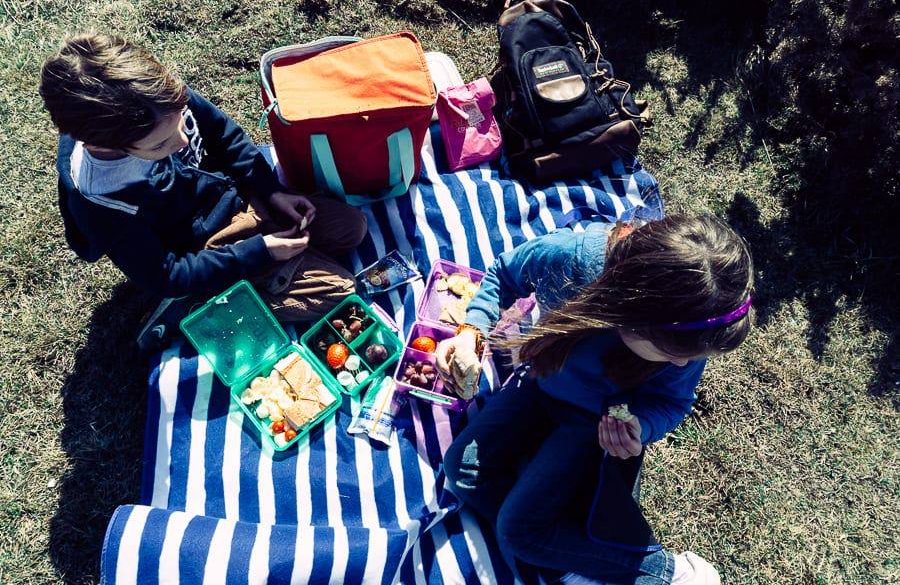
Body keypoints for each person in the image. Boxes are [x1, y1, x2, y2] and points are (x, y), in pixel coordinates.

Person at [436, 215, 754, 584]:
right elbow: (504, 273)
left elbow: (671, 401)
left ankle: (669, 575)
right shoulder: (566, 259)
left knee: (518, 533)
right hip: (539, 384)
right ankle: (581, 551)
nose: (681, 363)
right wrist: (470, 331)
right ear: (627, 316)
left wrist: (640, 425)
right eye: (670, 353)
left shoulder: (689, 336)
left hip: (592, 421)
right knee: (461, 469)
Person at [39, 33, 367, 351]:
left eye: (182, 123)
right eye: (161, 145)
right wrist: (259, 252)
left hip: (241, 199)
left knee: (352, 229)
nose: (182, 142)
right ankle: (204, 306)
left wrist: (272, 192)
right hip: (206, 248)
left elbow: (225, 136)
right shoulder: (103, 202)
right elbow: (167, 275)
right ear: (106, 145)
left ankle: (280, 268)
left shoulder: (158, 101)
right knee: (340, 290)